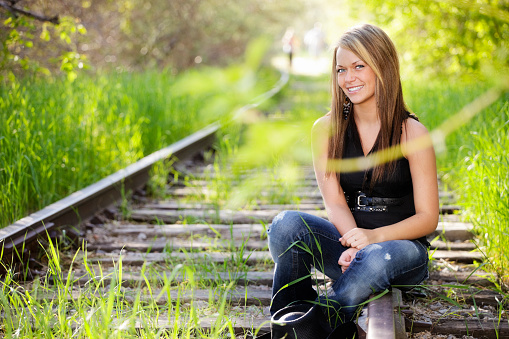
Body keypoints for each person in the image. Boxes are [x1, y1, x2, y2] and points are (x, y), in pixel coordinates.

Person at [267, 23, 439, 329]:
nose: (349, 78)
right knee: (286, 226)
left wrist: (373, 240)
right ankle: (290, 313)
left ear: (382, 67)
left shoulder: (412, 132)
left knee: (374, 259)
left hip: (400, 252)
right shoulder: (326, 130)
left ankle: (319, 322)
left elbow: (428, 218)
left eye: (359, 66)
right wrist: (354, 246)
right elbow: (334, 202)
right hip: (350, 250)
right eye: (341, 69)